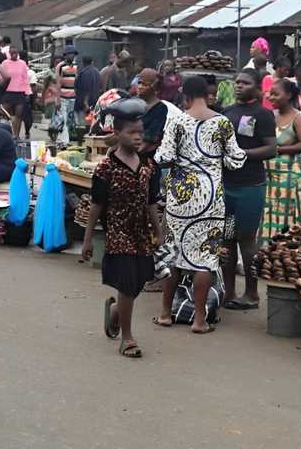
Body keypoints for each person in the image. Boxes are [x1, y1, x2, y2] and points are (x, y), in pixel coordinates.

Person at [154, 76, 246, 333]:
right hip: (211, 196)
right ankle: (198, 320)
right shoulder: (222, 122)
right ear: (208, 94)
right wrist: (214, 163)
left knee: (173, 253)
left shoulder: (176, 120)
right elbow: (236, 160)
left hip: (180, 195)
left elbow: (164, 157)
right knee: (205, 258)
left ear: (185, 95)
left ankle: (164, 313)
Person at [82, 102, 163, 359]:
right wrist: (87, 240)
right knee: (127, 283)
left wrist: (158, 230)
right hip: (118, 232)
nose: (138, 137)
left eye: (141, 132)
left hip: (141, 232)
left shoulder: (149, 166)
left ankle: (117, 311)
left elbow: (151, 202)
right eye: (131, 133)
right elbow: (96, 205)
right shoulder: (106, 169)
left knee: (140, 280)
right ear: (117, 134)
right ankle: (127, 338)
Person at [220, 69, 277, 310]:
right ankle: (229, 291)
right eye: (237, 82)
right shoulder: (226, 113)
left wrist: (242, 155)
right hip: (227, 186)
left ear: (257, 88)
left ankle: (252, 294)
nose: (239, 86)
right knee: (227, 239)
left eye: (245, 83)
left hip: (250, 187)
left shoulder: (263, 115)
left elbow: (271, 148)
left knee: (247, 240)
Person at [261, 78, 301, 240]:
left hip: (288, 176)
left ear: (289, 95)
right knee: (268, 214)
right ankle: (267, 250)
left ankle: (287, 250)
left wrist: (278, 150)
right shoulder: (270, 116)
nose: (270, 97)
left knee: (286, 214)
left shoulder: (299, 118)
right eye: (270, 94)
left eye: (276, 94)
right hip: (268, 176)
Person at [136, 68, 183, 160]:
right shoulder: (134, 104)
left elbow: (148, 141)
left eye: (145, 84)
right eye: (139, 83)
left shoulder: (160, 109)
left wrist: (130, 156)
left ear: (154, 88)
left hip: (146, 159)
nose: (140, 86)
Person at [0, 47, 31, 140]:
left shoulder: (22, 63)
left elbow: (25, 79)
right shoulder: (5, 63)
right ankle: (7, 134)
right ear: (9, 53)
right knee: (5, 115)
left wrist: (28, 92)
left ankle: (16, 135)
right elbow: (0, 77)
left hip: (20, 92)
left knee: (19, 115)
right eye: (12, 53)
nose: (14, 54)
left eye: (16, 53)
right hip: (7, 92)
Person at [54, 45, 79, 138]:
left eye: (73, 54)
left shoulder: (76, 66)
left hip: (73, 97)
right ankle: (64, 141)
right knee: (63, 120)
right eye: (70, 54)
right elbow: (58, 83)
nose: (72, 56)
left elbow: (76, 81)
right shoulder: (60, 66)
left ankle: (66, 139)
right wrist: (58, 99)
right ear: (65, 55)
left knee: (70, 120)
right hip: (63, 97)